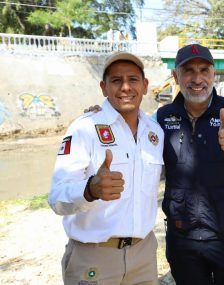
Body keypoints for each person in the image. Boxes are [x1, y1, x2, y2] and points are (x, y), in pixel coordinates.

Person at [155, 44, 224, 285]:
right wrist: (98, 114)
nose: (197, 79)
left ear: (213, 74)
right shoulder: (161, 117)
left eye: (204, 70)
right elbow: (129, 129)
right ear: (175, 76)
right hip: (182, 237)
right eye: (188, 71)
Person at [48, 51, 164, 285]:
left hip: (144, 256)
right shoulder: (85, 128)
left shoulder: (155, 132)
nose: (125, 87)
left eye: (133, 79)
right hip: (94, 257)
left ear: (144, 85)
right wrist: (90, 189)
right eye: (116, 80)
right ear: (104, 87)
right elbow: (56, 198)